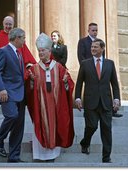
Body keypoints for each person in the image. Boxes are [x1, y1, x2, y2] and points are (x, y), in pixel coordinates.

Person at [26, 33, 74, 162]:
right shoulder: (34, 69)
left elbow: (69, 84)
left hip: (55, 106)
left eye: (43, 50)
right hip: (40, 107)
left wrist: (65, 82)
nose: (40, 53)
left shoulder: (59, 67)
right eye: (39, 50)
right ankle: (40, 155)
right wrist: (30, 82)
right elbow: (29, 91)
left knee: (55, 125)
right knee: (40, 124)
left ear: (49, 51)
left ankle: (52, 155)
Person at [75, 38, 121, 163]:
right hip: (90, 102)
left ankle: (106, 157)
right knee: (92, 126)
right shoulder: (85, 63)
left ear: (102, 48)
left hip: (106, 102)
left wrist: (116, 99)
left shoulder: (110, 64)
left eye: (95, 47)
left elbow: (114, 84)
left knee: (106, 130)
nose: (93, 49)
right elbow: (79, 83)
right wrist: (78, 98)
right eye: (92, 47)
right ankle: (85, 143)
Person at [0, 28, 26, 163]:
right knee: (12, 116)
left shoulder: (20, 53)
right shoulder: (3, 51)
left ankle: (14, 157)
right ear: (16, 38)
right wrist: (2, 89)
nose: (24, 41)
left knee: (19, 126)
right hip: (8, 93)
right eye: (23, 38)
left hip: (21, 94)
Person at [77, 22, 122, 118]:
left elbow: (103, 58)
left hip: (100, 71)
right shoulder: (83, 41)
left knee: (104, 89)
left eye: (96, 30)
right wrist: (87, 69)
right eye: (93, 30)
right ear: (88, 30)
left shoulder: (101, 43)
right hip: (89, 71)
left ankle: (111, 110)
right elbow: (81, 56)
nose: (95, 32)